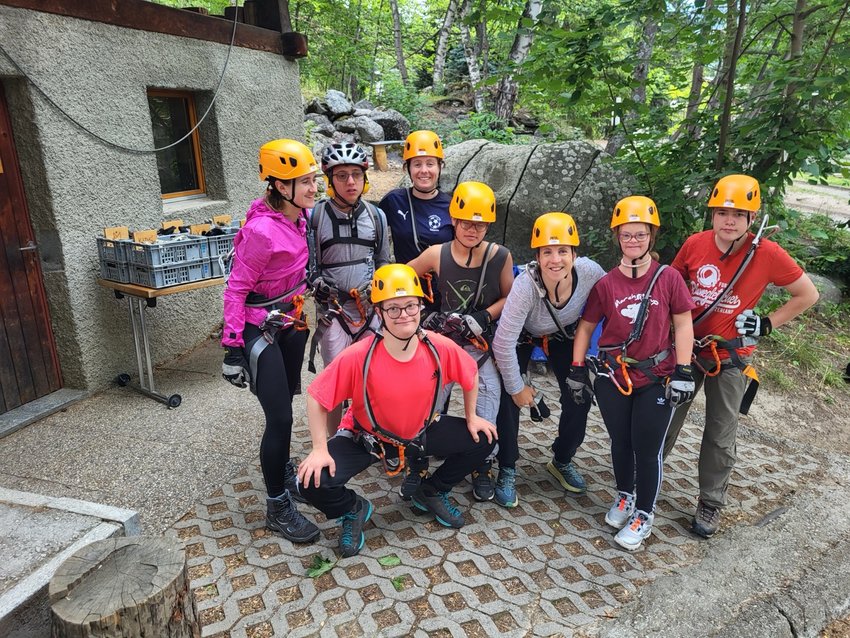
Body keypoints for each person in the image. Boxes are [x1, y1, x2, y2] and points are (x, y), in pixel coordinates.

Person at [297, 264, 498, 557]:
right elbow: (317, 397)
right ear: (379, 313)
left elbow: (470, 373)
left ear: (420, 306)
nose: (404, 314)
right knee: (311, 481)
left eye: (410, 305)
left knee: (487, 439)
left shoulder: (438, 347)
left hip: (420, 433)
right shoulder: (359, 355)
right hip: (367, 440)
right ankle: (352, 508)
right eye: (393, 309)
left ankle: (430, 491)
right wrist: (319, 448)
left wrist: (472, 416)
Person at [662, 174, 819, 538]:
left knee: (720, 431)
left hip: (729, 356)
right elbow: (672, 283)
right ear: (712, 215)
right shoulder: (695, 244)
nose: (729, 220)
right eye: (722, 212)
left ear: (752, 219)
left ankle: (710, 501)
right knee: (668, 415)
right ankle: (645, 479)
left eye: (738, 214)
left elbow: (806, 294)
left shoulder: (765, 254)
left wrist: (767, 323)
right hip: (689, 348)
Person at [571, 195, 696, 551]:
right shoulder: (607, 283)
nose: (633, 241)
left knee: (648, 448)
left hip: (656, 376)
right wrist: (578, 369)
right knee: (620, 442)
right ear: (618, 238)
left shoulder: (668, 278)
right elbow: (585, 328)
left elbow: (683, 325)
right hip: (614, 376)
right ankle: (624, 495)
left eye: (640, 235)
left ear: (651, 237)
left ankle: (644, 513)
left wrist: (684, 370)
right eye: (627, 235)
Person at [221, 139, 320, 544]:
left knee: (288, 405)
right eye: (306, 182)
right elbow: (235, 290)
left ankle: (281, 471)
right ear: (281, 186)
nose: (314, 188)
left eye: (313, 180)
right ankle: (277, 506)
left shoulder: (298, 217)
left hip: (289, 321)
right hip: (257, 329)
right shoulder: (260, 231)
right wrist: (232, 348)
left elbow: (290, 271)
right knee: (279, 418)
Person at [407, 181, 514, 501]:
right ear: (453, 219)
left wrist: (486, 316)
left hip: (479, 345)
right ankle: (418, 462)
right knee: (427, 402)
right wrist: (423, 314)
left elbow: (511, 295)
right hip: (442, 343)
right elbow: (403, 280)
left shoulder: (499, 257)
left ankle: (481, 464)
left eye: (480, 224)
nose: (473, 229)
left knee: (489, 396)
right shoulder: (436, 255)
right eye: (467, 222)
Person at [491, 213, 605, 508]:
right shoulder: (525, 286)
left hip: (564, 335)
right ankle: (506, 466)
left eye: (563, 251)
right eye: (547, 253)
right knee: (507, 396)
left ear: (575, 254)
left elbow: (615, 301)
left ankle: (562, 459)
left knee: (579, 395)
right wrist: (518, 389)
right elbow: (503, 342)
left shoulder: (590, 273)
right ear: (537, 257)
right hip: (522, 338)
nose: (556, 260)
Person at [307, 142, 390, 434]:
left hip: (368, 311)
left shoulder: (376, 217)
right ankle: (334, 443)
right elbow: (310, 266)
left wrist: (377, 287)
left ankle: (369, 433)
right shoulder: (316, 218)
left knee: (372, 377)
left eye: (356, 174)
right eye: (341, 176)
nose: (350, 182)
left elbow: (383, 262)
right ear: (330, 180)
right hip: (334, 312)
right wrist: (317, 284)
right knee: (334, 381)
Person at [378, 130, 453, 312]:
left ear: (440, 167)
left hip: (443, 293)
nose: (424, 170)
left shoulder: (451, 206)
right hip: (406, 292)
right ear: (407, 169)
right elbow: (373, 235)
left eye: (430, 163)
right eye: (417, 164)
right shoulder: (394, 200)